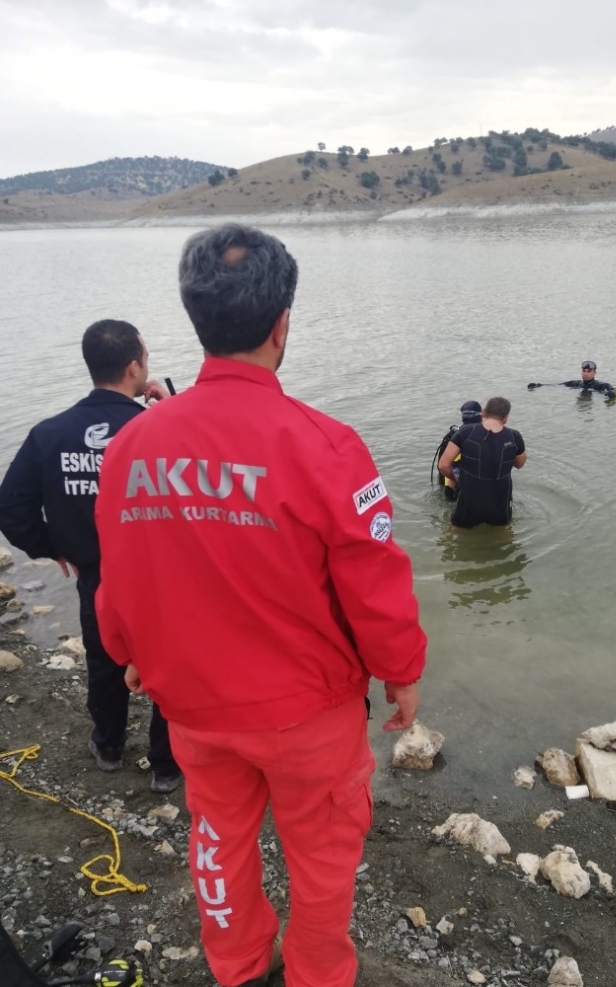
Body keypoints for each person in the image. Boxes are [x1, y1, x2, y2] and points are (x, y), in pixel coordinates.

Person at [93, 224, 427, 987]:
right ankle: (314, 973)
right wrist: (402, 671)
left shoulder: (132, 449)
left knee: (218, 837)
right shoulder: (327, 444)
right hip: (307, 712)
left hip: (195, 707)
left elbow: (120, 575)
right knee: (323, 852)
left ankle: (240, 965)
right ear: (283, 326)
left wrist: (128, 655)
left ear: (197, 318)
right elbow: (375, 585)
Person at [0, 320, 181, 793]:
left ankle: (109, 745)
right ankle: (165, 766)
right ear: (134, 366)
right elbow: (208, 476)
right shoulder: (161, 427)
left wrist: (52, 546)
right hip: (160, 577)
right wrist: (176, 407)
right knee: (165, 662)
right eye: (147, 357)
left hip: (97, 576)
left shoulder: (50, 433)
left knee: (103, 660)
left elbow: (11, 508)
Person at [437, 396, 527, 527]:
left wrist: (456, 479)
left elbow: (443, 465)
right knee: (504, 538)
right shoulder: (514, 436)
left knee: (457, 538)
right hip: (500, 503)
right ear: (506, 418)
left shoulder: (465, 432)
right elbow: (519, 464)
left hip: (469, 502)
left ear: (484, 412)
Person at [433, 400, 482, 501]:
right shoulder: (484, 437)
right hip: (474, 491)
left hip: (450, 487)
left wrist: (453, 479)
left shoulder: (452, 437)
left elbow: (442, 466)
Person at [527, 360, 616, 399]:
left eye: (589, 371)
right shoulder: (576, 384)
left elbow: (613, 391)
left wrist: (612, 394)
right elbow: (558, 385)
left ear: (595, 373)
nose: (586, 373)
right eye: (584, 371)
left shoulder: (601, 385)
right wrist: (539, 385)